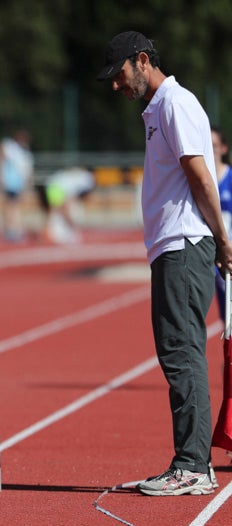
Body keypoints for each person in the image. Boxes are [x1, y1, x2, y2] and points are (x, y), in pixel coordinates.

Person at [98, 30, 231, 495]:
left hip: (183, 242)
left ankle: (192, 464)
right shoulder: (157, 110)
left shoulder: (175, 103)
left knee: (181, 350)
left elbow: (199, 175)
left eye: (119, 74)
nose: (115, 85)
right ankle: (195, 462)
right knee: (178, 348)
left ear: (141, 60)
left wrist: (222, 238)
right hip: (172, 244)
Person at [0, 128, 34, 242]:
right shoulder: (9, 147)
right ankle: (10, 230)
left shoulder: (23, 152)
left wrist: (28, 183)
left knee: (13, 207)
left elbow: (27, 170)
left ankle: (12, 230)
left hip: (17, 183)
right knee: (10, 207)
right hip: (9, 182)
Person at [37, 167, 95, 244]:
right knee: (53, 211)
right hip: (56, 186)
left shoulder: (81, 180)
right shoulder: (85, 181)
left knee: (53, 211)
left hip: (54, 184)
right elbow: (66, 204)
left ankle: (45, 234)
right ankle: (45, 234)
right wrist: (71, 223)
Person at [211, 126, 232, 321]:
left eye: (214, 146)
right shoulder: (201, 181)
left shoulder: (230, 178)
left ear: (223, 148)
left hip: (229, 252)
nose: (211, 151)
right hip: (211, 256)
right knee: (226, 318)